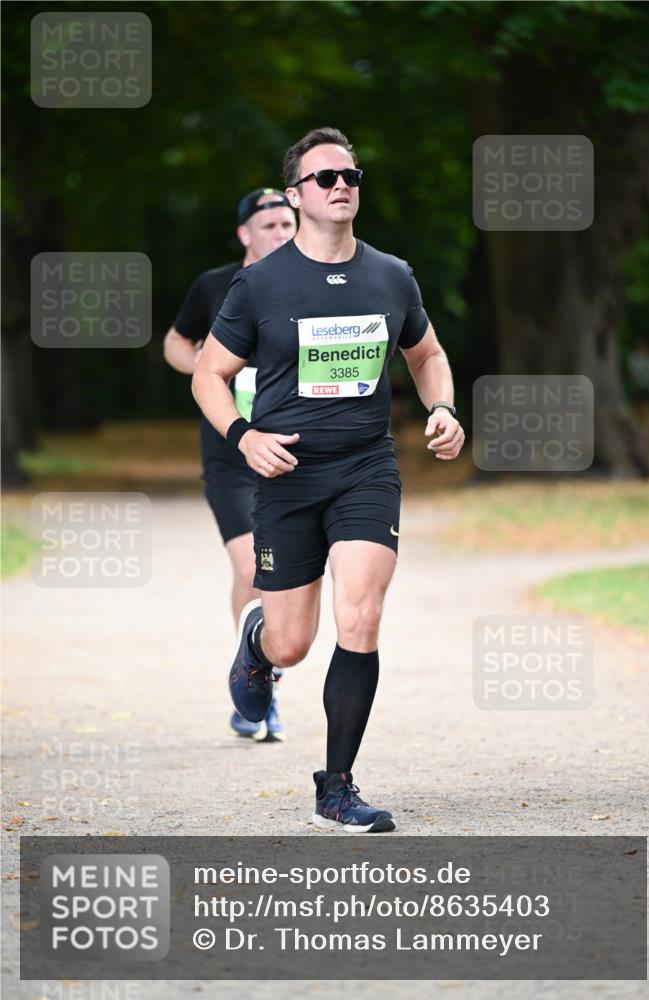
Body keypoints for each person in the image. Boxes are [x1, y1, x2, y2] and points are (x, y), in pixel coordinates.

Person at [193, 127, 464, 832]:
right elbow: (208, 374)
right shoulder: (260, 283)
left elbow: (427, 353)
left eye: (350, 174)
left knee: (363, 616)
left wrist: (441, 407)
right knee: (292, 644)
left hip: (364, 467)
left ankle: (336, 787)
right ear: (295, 194)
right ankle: (256, 647)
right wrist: (242, 435)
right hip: (286, 472)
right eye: (323, 178)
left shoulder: (390, 275)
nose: (341, 184)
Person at [164, 187, 297, 741]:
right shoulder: (215, 286)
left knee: (284, 579)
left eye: (288, 225)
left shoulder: (308, 283)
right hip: (229, 451)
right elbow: (175, 342)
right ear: (245, 233)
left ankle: (259, 673)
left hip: (290, 451)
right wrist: (199, 364)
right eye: (269, 226)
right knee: (250, 570)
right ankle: (257, 687)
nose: (280, 234)